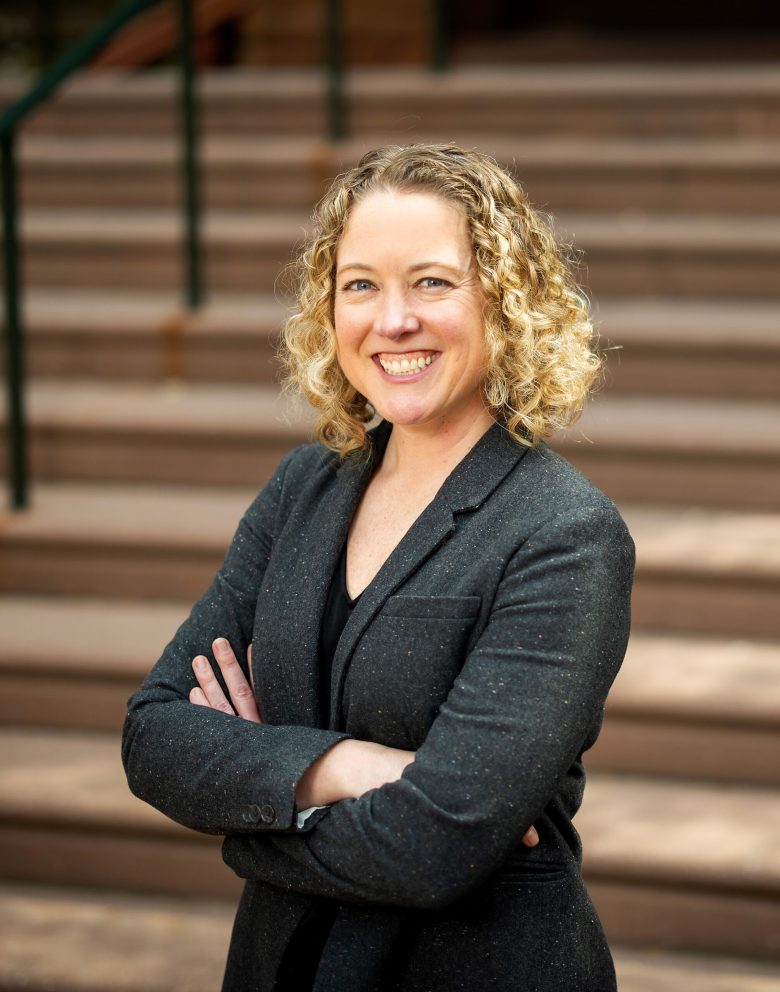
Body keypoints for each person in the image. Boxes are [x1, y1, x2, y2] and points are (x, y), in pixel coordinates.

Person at [122, 143, 634, 992]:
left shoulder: (564, 533)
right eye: (361, 284)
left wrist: (250, 813)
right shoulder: (303, 488)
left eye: (432, 282)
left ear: (507, 302)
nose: (392, 320)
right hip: (279, 964)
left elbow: (439, 845)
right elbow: (154, 735)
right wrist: (353, 766)